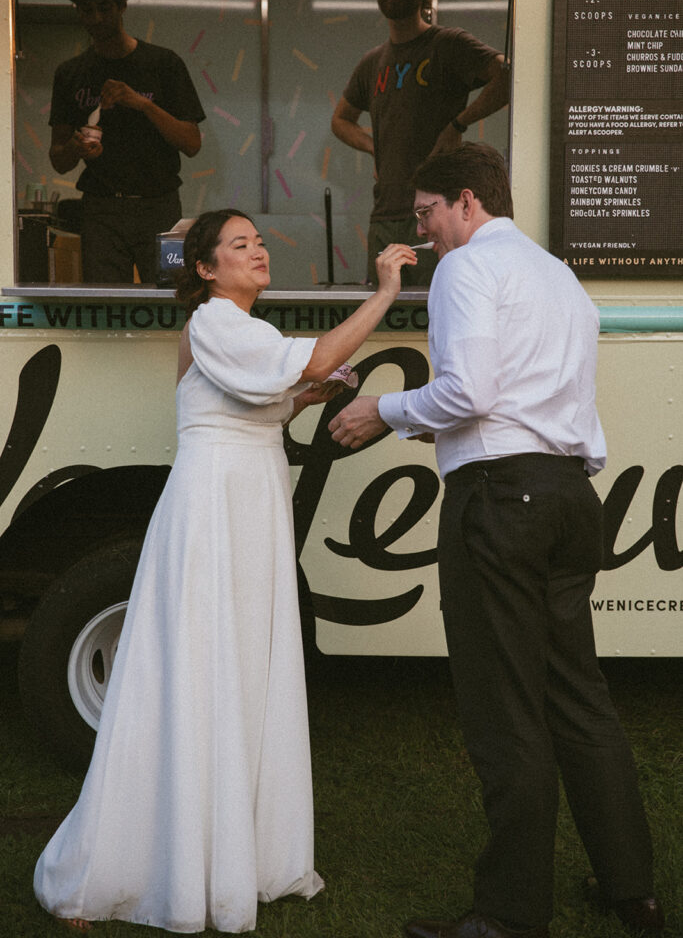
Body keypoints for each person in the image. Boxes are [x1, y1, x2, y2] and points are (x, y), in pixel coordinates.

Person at [33, 208, 416, 934]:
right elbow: (302, 362)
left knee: (239, 667)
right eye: (240, 245)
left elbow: (264, 403)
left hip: (249, 499)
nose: (258, 252)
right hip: (215, 507)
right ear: (206, 269)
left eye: (260, 241)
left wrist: (312, 397)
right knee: (198, 666)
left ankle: (237, 851)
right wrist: (382, 293)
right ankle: (142, 861)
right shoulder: (216, 321)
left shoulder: (238, 333)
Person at [328, 144, 664, 938]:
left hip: (499, 503)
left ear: (468, 201)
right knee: (579, 700)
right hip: (566, 495)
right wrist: (449, 431)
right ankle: (633, 894)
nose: (424, 231)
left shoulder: (465, 268)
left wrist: (384, 410)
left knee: (503, 709)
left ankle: (510, 916)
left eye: (427, 213)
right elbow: (514, 401)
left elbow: (469, 390)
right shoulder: (557, 276)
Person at [331, 0, 509, 286]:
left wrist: (459, 123)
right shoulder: (372, 63)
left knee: (442, 315)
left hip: (441, 214)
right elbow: (341, 120)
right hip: (385, 215)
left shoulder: (448, 44)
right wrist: (374, 147)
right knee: (382, 322)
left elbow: (506, 75)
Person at [49, 0, 205, 283]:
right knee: (104, 305)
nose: (95, 18)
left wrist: (143, 104)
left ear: (122, 5)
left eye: (104, 7)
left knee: (174, 297)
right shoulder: (70, 74)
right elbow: (59, 159)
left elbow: (191, 143)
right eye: (86, 9)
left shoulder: (163, 64)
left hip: (160, 207)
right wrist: (76, 147)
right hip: (100, 209)